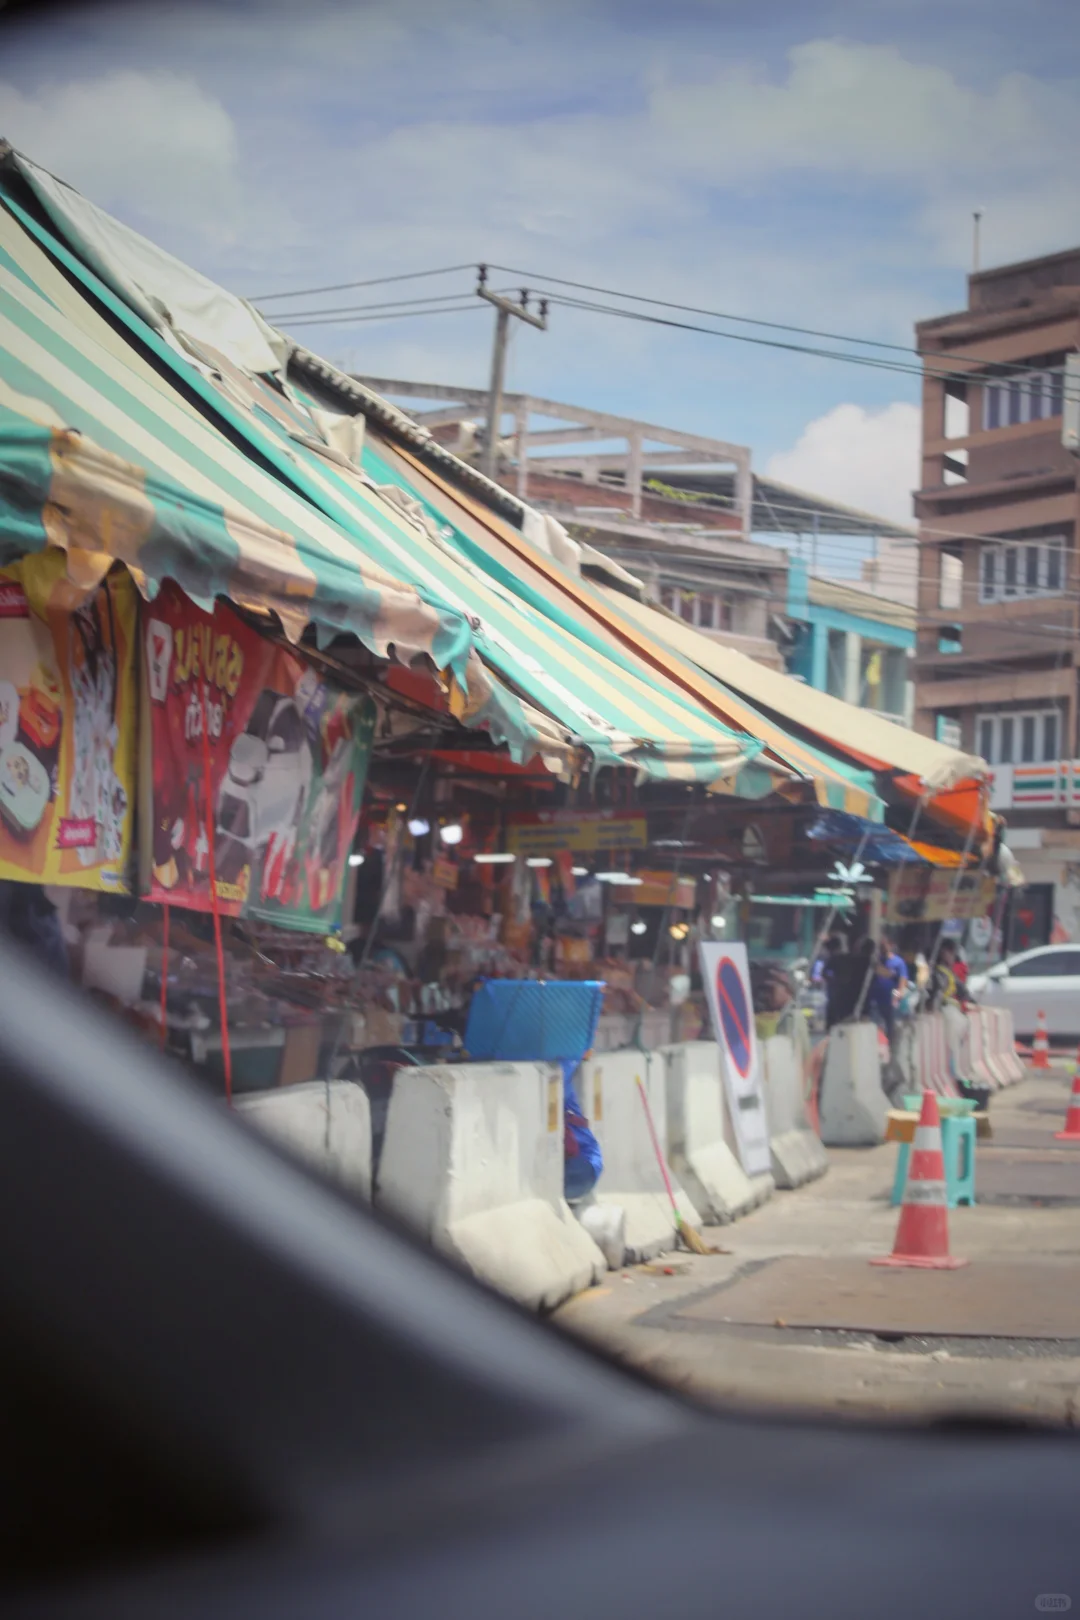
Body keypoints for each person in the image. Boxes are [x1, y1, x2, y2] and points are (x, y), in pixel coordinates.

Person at [865, 935, 908, 1046]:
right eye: (881, 946)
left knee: (891, 1025)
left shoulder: (898, 962)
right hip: (876, 999)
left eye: (884, 946)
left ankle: (891, 1045)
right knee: (876, 1025)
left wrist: (897, 996)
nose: (882, 948)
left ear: (891, 945)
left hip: (890, 999)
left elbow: (902, 981)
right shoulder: (876, 962)